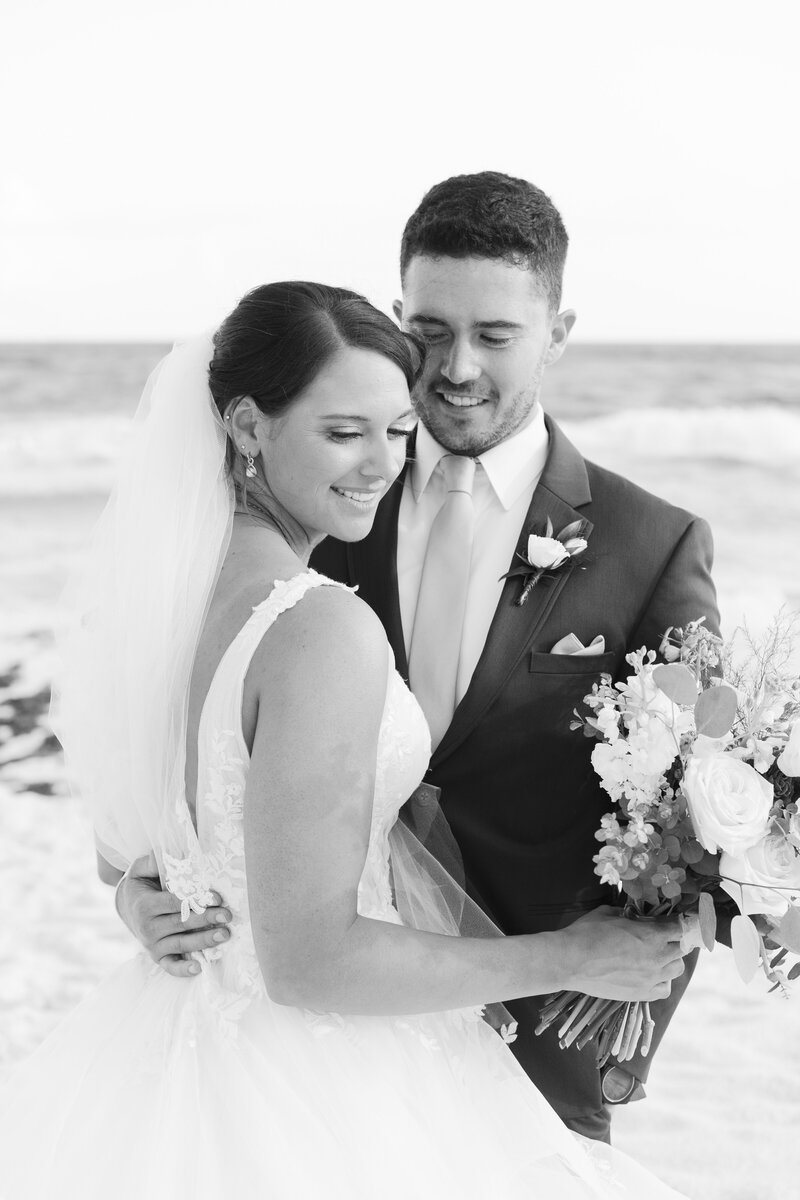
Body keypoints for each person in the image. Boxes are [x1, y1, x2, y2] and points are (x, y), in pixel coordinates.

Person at [0, 281, 691, 1199]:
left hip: (173, 1031)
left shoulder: (157, 600)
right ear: (248, 425)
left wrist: (141, 893)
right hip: (309, 1081)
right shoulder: (320, 626)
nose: (382, 464)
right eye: (343, 433)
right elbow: (312, 962)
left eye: (398, 431)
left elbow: (129, 843)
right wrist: (573, 957)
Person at [120, 175, 723, 1141]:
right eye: (430, 331)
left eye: (495, 335)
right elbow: (188, 752)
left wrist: (613, 1037)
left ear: (558, 333)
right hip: (315, 1036)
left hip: (540, 1039)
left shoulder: (651, 546)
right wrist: (139, 890)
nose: (455, 368)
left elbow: (706, 816)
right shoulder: (328, 496)